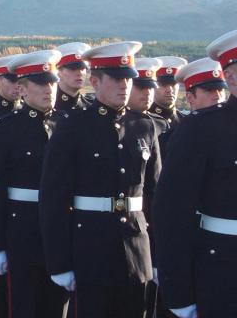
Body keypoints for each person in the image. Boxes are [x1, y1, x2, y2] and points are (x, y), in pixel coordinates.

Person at [39, 41, 161, 318]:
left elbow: (158, 195)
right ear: (95, 81)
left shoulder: (143, 125)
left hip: (136, 247)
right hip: (91, 249)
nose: (125, 86)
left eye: (128, 79)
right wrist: (59, 263)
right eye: (117, 79)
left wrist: (160, 256)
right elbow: (53, 199)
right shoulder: (73, 126)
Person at [153, 30, 237, 318]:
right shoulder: (201, 129)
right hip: (225, 273)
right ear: (231, 78)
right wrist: (178, 293)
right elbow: (172, 214)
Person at [0, 50, 69, 318]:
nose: (49, 89)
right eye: (41, 84)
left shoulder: (67, 125)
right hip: (22, 230)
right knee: (25, 304)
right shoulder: (6, 127)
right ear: (22, 88)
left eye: (52, 82)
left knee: (58, 304)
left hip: (61, 228)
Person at [54, 42, 92, 111]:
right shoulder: (49, 107)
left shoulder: (91, 108)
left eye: (82, 68)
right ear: (58, 72)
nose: (79, 73)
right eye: (73, 68)